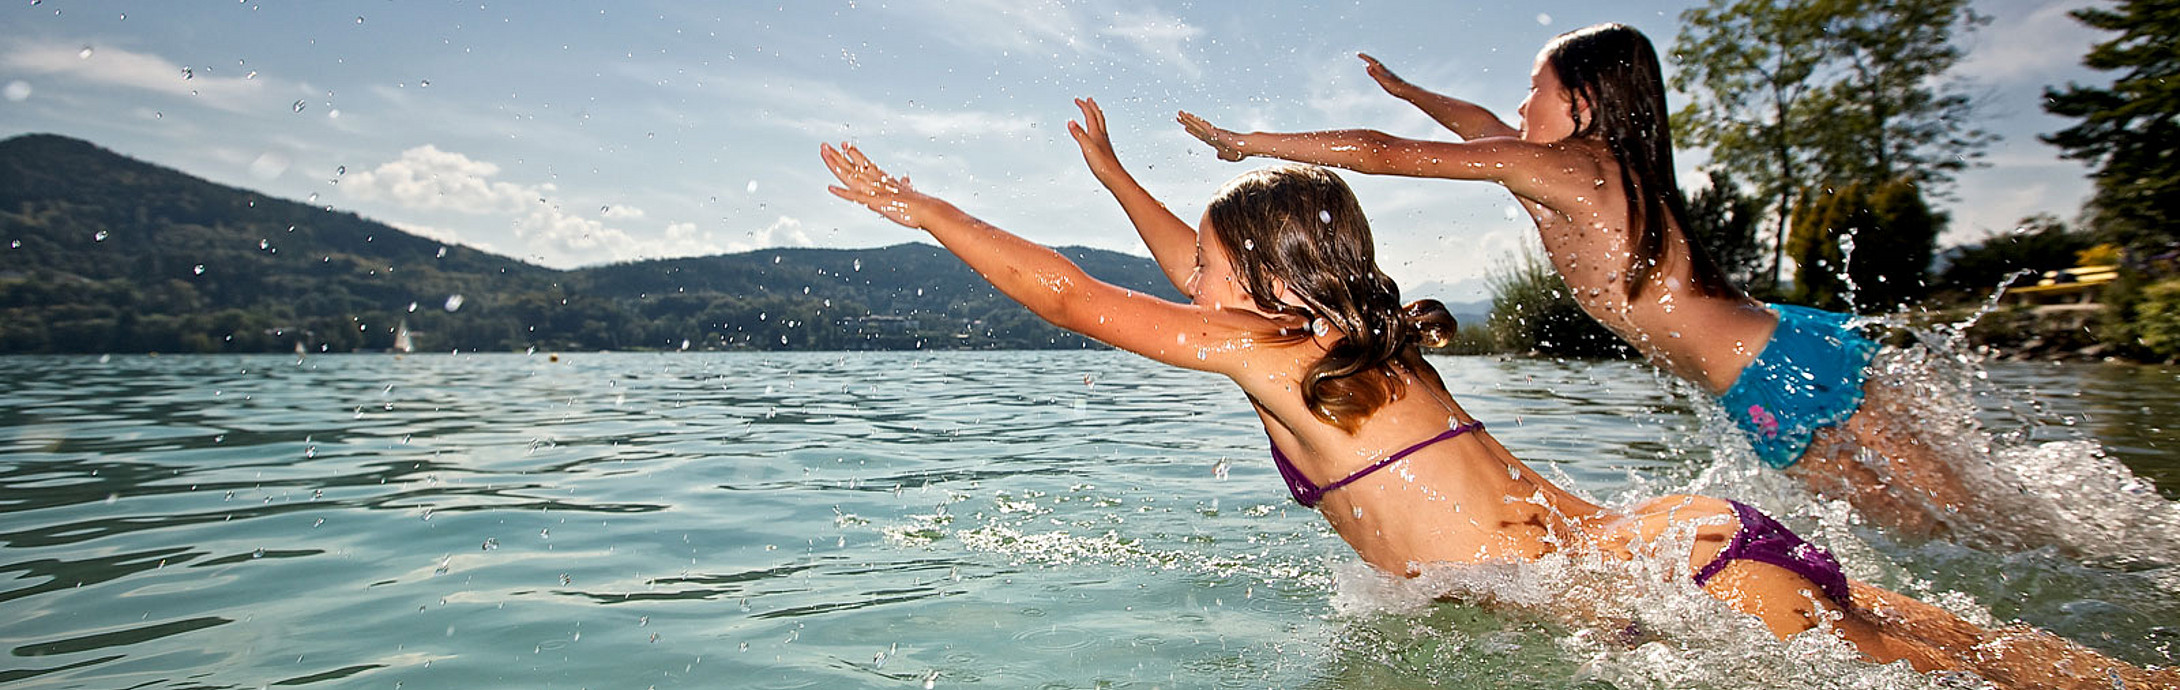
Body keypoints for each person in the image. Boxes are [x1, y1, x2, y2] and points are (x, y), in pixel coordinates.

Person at [822, 97, 2174, 688]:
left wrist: (920, 203)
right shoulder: (1357, 342)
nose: (1191, 283)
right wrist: (1118, 174)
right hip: (1686, 545)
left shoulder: (1268, 354)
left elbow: (1070, 295)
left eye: (1206, 267)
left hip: (1661, 590)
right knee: (1971, 646)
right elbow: (1187, 258)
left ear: (1255, 289)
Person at [1176, 23, 1974, 538]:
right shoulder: (1590, 172)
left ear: (1582, 103)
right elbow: (1477, 130)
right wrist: (1414, 92)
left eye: (1537, 91)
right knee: (1956, 521)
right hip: (1773, 359)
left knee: (1943, 526)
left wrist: (1251, 143)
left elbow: (1390, 152)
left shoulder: (1574, 169)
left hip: (1776, 373)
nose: (1520, 108)